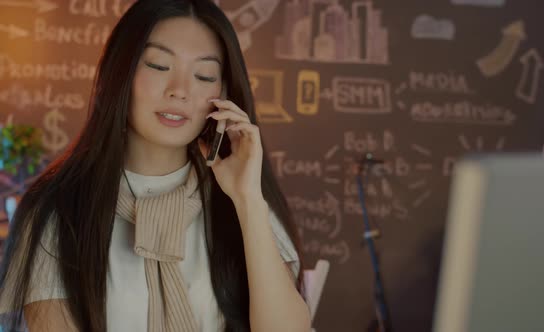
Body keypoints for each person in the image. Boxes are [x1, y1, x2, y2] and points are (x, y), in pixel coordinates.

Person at [0, 0, 311, 331]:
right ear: (121, 72)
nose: (180, 91)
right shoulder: (58, 210)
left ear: (222, 93)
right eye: (159, 66)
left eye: (204, 75)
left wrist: (248, 200)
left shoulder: (240, 202)